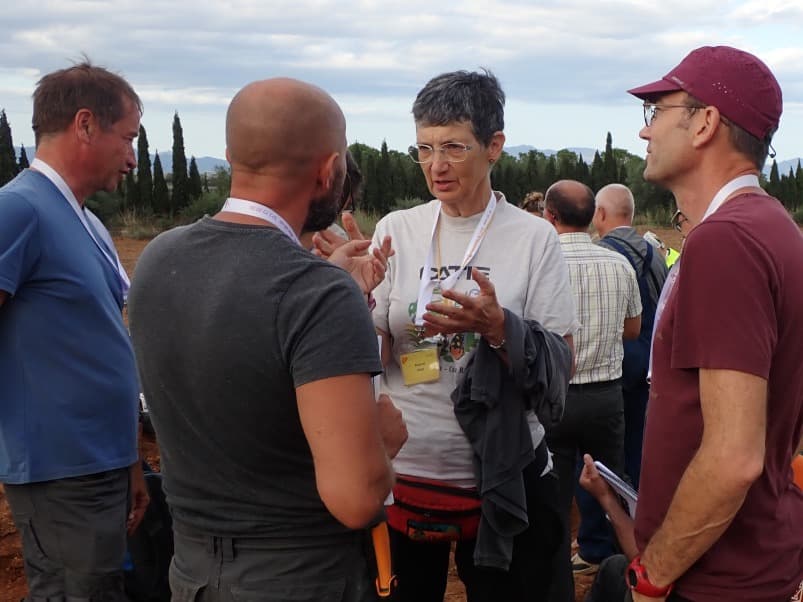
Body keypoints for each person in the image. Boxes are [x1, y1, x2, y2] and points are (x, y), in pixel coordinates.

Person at [127, 77, 407, 601]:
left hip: (192, 573)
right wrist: (383, 443)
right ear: (328, 170)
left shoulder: (159, 259)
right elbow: (355, 499)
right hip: (302, 576)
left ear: (233, 155)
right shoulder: (315, 293)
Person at [370, 69, 579, 602]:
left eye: (453, 147)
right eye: (424, 148)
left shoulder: (534, 239)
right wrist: (350, 300)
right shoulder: (397, 229)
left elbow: (562, 365)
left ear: (493, 147)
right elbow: (376, 353)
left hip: (499, 476)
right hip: (404, 472)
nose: (435, 165)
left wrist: (497, 327)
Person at [625, 45, 803, 601]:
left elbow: (734, 457)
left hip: (717, 579)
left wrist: (652, 577)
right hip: (753, 560)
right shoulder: (774, 228)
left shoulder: (725, 242)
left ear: (705, 123)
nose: (645, 133)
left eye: (658, 112)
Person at [0, 61, 149, 601]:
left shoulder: (87, 220)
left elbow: (103, 344)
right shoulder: (18, 210)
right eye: (127, 137)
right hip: (59, 470)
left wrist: (130, 459)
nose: (133, 158)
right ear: (85, 124)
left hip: (102, 463)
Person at [542, 180, 642, 602]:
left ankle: (558, 587)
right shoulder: (619, 264)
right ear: (593, 217)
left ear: (550, 216)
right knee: (614, 491)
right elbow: (633, 330)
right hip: (606, 397)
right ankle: (629, 579)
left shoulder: (542, 265)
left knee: (556, 502)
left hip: (557, 399)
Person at [593, 183, 668, 489]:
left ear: (599, 214)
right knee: (637, 444)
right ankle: (637, 514)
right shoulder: (657, 255)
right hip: (648, 367)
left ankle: (605, 523)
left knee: (601, 453)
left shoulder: (600, 255)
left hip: (610, 370)